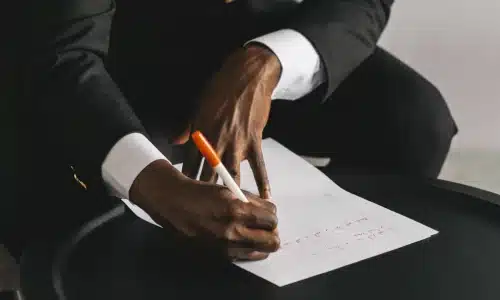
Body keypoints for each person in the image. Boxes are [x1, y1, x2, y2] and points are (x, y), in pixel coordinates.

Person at [5, 0, 457, 263]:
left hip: (245, 28)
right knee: (88, 222)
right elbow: (59, 57)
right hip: (85, 48)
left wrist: (266, 62)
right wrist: (153, 182)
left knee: (414, 122)